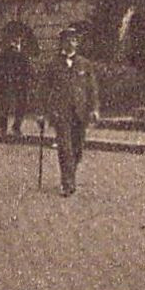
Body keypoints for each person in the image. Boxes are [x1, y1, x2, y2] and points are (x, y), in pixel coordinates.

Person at [38, 28, 100, 196]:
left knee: (77, 149)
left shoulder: (85, 64)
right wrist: (42, 113)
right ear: (62, 43)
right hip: (60, 113)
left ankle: (70, 175)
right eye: (67, 40)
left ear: (76, 43)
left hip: (80, 113)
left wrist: (94, 109)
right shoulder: (53, 65)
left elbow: (92, 89)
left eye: (73, 40)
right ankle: (68, 183)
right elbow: (44, 90)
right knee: (65, 148)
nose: (70, 43)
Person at [0, 34, 33, 136]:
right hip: (8, 84)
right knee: (4, 106)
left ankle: (16, 127)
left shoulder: (24, 55)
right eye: (14, 41)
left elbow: (29, 70)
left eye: (18, 42)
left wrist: (27, 82)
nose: (15, 44)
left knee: (21, 106)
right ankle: (3, 129)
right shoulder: (5, 55)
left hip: (20, 85)